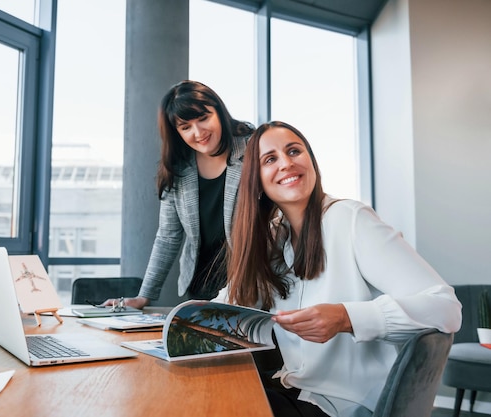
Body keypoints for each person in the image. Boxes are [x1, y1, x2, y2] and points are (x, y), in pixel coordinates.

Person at [221, 121, 462, 417]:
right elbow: (230, 304)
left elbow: (446, 306)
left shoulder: (351, 219)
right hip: (297, 391)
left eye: (294, 151)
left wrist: (346, 317)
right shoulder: (274, 236)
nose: (287, 163)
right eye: (270, 159)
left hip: (345, 406)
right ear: (255, 180)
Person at [104, 80, 254, 309]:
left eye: (204, 118)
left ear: (219, 112)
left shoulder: (254, 149)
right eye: (186, 127)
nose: (198, 132)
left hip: (250, 283)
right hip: (201, 288)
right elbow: (168, 236)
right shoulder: (178, 169)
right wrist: (144, 296)